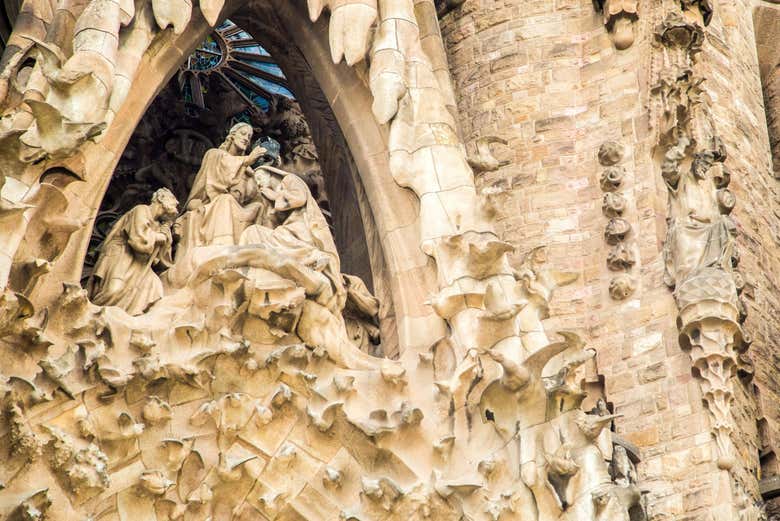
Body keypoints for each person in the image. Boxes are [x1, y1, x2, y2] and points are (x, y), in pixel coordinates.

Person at [175, 123, 266, 262]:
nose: (246, 138)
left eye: (249, 136)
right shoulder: (214, 154)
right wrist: (246, 161)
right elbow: (220, 179)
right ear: (232, 135)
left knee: (259, 207)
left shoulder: (246, 169)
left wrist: (264, 173)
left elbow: (254, 195)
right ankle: (222, 244)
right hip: (211, 203)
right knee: (225, 200)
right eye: (243, 133)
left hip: (236, 210)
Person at [88, 188, 178, 315]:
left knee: (155, 288)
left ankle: (128, 322)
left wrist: (166, 234)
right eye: (173, 201)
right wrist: (158, 237)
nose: (176, 205)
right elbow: (137, 239)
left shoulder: (159, 225)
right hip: (121, 255)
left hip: (140, 265)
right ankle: (95, 316)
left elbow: (161, 259)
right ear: (161, 199)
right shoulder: (141, 210)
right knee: (114, 290)